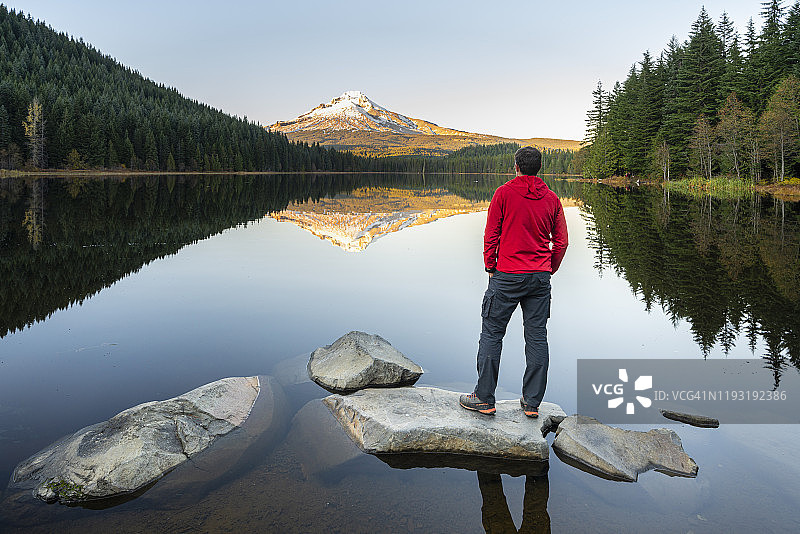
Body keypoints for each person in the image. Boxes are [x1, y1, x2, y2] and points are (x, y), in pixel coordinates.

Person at [460, 146, 568, 417]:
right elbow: (562, 241)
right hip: (539, 278)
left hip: (506, 276)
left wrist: (490, 266)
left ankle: (484, 398)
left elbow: (491, 235)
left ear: (516, 167)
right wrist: (548, 269)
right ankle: (531, 404)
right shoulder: (552, 199)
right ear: (538, 168)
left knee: (492, 334)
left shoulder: (504, 194)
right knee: (536, 337)